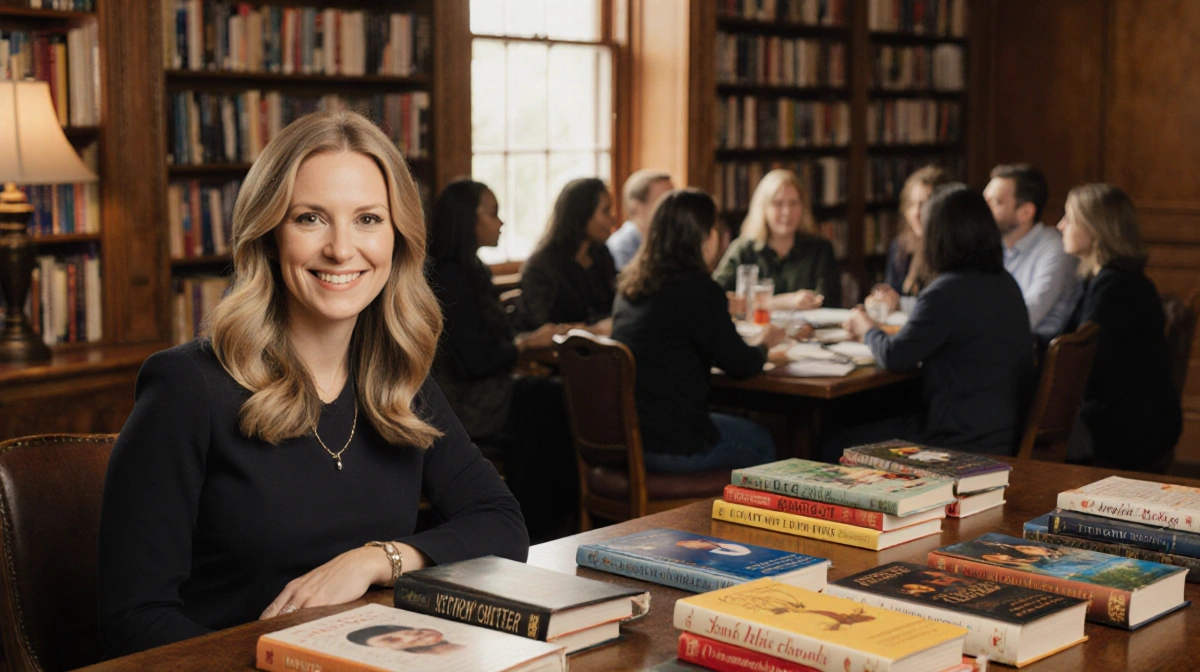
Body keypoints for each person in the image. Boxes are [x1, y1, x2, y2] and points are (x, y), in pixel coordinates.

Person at [97, 112, 527, 658]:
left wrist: (376, 559)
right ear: (270, 236)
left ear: (398, 238)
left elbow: (503, 524)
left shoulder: (396, 381)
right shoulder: (187, 387)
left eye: (369, 218)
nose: (342, 249)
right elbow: (132, 620)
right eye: (310, 218)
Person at [426, 179, 578, 542]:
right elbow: (477, 361)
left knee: (549, 399)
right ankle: (536, 524)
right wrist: (525, 345)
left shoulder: (470, 268)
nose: (501, 222)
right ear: (468, 220)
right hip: (461, 399)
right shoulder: (450, 277)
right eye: (493, 213)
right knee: (552, 401)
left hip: (480, 388)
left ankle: (541, 517)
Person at [835, 184, 1033, 457]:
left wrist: (866, 328)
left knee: (834, 441)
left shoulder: (947, 291)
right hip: (1001, 433)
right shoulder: (1005, 282)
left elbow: (895, 356)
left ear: (938, 236)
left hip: (959, 441)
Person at [612, 188, 787, 474]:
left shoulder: (630, 286)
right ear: (704, 238)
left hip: (626, 440)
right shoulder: (699, 290)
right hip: (673, 445)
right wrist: (765, 342)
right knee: (764, 440)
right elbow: (742, 364)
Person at [1057, 183, 1182, 470]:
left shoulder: (1116, 288)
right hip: (1129, 418)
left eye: (1069, 218)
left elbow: (1086, 368)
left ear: (1095, 228)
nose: (1060, 225)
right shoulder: (1111, 281)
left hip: (1126, 429)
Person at [712, 168, 841, 308]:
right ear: (763, 209)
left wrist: (753, 302)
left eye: (794, 203)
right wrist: (784, 302)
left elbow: (828, 300)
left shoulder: (821, 249)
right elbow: (713, 295)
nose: (787, 212)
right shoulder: (743, 249)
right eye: (778, 204)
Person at [983, 164, 1081, 340]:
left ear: (1025, 212)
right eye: (985, 200)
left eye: (996, 202)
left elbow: (1022, 319)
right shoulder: (991, 245)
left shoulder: (1055, 250)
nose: (983, 210)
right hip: (998, 348)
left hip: (1035, 357)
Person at [517, 178, 617, 331]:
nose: (613, 218)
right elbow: (542, 330)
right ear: (582, 215)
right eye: (605, 211)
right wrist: (595, 330)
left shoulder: (601, 254)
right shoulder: (542, 267)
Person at [871, 165, 950, 313]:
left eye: (925, 205)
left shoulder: (952, 252)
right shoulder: (899, 246)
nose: (916, 213)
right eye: (912, 205)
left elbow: (941, 307)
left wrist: (900, 303)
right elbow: (893, 291)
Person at [607, 169, 674, 270]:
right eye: (663, 203)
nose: (672, 210)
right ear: (636, 208)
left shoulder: (668, 242)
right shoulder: (621, 250)